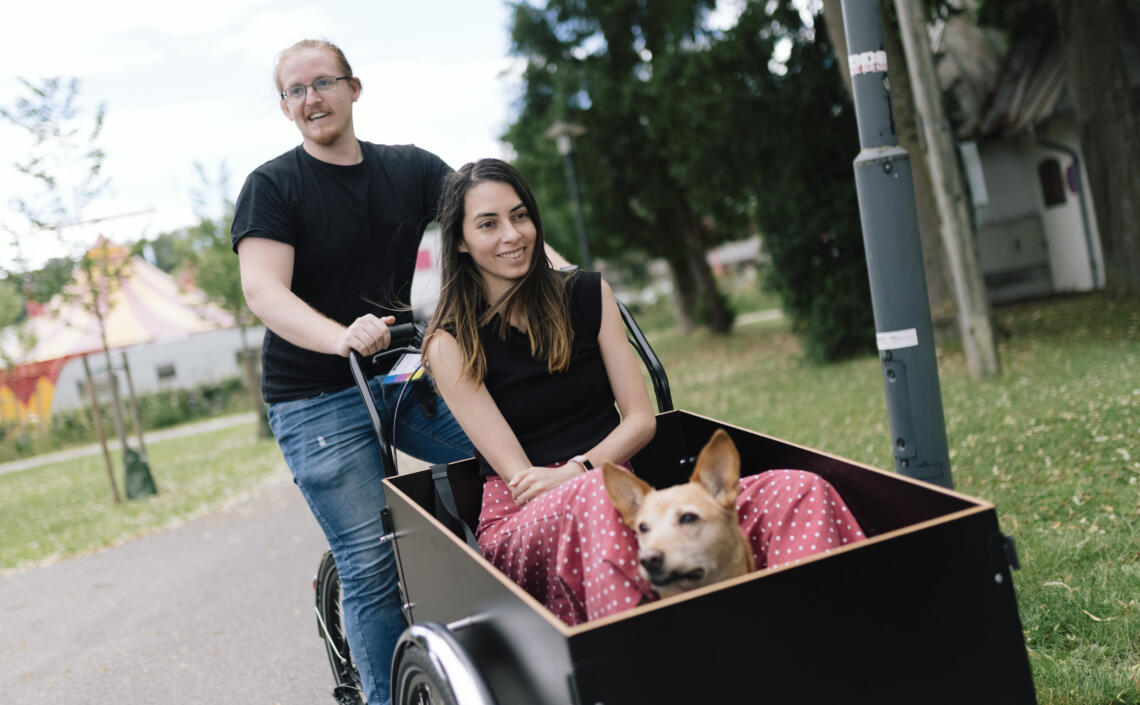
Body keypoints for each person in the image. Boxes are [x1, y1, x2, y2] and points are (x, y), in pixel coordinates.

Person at [424, 158, 865, 626]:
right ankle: (649, 662)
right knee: (595, 495)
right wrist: (583, 480)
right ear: (460, 241)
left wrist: (583, 469)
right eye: (488, 224)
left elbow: (640, 418)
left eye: (520, 216)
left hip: (627, 498)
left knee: (797, 489)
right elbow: (523, 480)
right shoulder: (450, 341)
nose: (512, 235)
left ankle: (813, 634)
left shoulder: (589, 294)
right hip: (523, 519)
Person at [230, 39, 476, 705]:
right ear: (285, 107)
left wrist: (566, 280)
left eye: (324, 82)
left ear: (354, 88)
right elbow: (264, 292)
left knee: (504, 453)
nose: (311, 98)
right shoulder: (274, 187)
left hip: (399, 377)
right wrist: (341, 336)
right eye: (295, 90)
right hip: (316, 399)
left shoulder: (411, 168)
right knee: (372, 563)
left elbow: (490, 220)